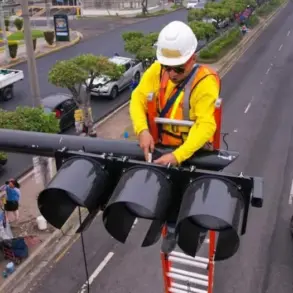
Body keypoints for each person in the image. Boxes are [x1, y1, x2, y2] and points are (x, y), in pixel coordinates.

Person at [129, 20, 221, 253]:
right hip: (162, 143)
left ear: (192, 59)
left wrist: (179, 156)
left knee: (192, 190)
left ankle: (194, 227)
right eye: (167, 67)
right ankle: (170, 226)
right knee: (164, 186)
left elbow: (205, 124)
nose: (171, 74)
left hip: (191, 149)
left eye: (178, 69)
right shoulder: (159, 70)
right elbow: (137, 99)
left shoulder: (204, 83)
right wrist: (142, 130)